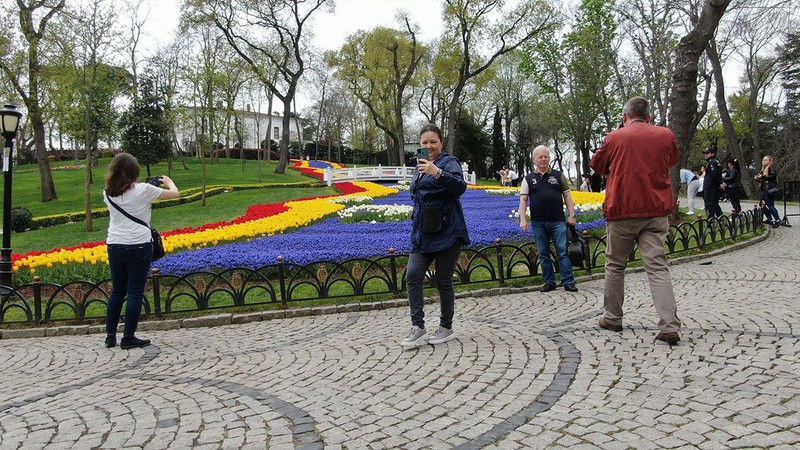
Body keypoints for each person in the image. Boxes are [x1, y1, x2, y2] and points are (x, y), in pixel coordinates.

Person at [590, 96, 681, 345]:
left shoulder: (615, 137)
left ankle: (612, 317)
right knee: (657, 267)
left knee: (615, 265)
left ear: (624, 117)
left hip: (622, 210)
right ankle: (669, 325)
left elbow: (597, 164)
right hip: (654, 210)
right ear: (649, 117)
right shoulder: (665, 135)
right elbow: (671, 159)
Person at [401, 124, 470, 348]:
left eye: (433, 142)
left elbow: (460, 187)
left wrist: (437, 173)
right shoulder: (418, 167)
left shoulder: (449, 162)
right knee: (412, 274)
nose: (429, 146)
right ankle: (418, 327)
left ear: (441, 142)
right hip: (424, 230)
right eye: (424, 142)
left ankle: (446, 326)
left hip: (448, 229)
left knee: (443, 279)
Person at [103, 153, 179, 349]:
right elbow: (175, 194)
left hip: (114, 244)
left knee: (117, 291)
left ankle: (110, 336)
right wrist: (169, 182)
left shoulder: (107, 193)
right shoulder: (144, 190)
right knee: (135, 292)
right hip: (138, 244)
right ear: (134, 171)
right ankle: (128, 337)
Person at [518, 145, 578, 293]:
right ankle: (549, 282)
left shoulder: (558, 176)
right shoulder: (528, 179)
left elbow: (568, 197)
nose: (543, 159)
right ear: (534, 160)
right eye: (540, 157)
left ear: (549, 158)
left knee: (562, 251)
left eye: (546, 156)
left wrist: (572, 215)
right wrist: (523, 219)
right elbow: (523, 200)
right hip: (538, 222)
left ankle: (568, 281)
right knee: (543, 253)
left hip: (557, 220)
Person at [755, 155, 781, 228]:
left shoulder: (771, 168)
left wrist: (762, 177)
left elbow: (772, 177)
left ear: (770, 161)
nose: (764, 161)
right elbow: (762, 179)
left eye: (766, 160)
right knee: (761, 205)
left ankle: (777, 220)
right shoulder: (763, 169)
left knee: (770, 205)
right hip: (764, 189)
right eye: (763, 160)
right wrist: (757, 178)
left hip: (769, 189)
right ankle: (769, 219)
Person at [702, 146, 724, 219]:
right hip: (714, 185)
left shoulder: (712, 162)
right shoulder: (716, 162)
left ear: (712, 154)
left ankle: (710, 220)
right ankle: (721, 218)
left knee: (709, 203)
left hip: (710, 186)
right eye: (705, 153)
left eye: (707, 153)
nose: (706, 155)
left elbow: (714, 174)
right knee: (715, 203)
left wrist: (718, 183)